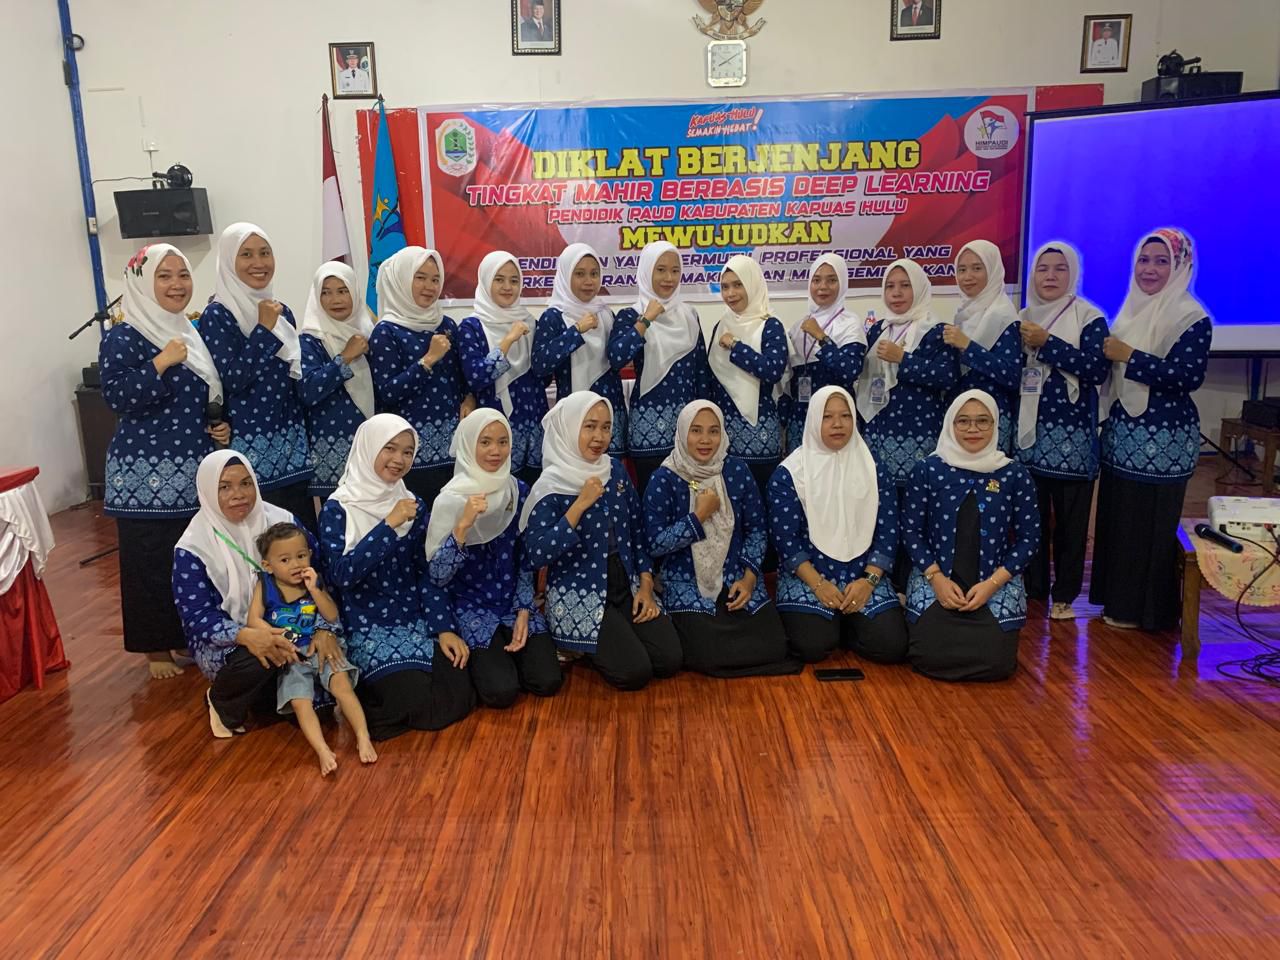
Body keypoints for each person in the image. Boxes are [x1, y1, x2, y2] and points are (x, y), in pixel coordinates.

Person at [101, 243, 228, 679]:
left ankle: (183, 636)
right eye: (164, 275)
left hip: (191, 468)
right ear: (141, 282)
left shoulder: (190, 331)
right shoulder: (124, 336)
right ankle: (155, 649)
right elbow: (117, 396)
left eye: (183, 274)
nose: (177, 284)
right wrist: (160, 362)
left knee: (188, 558)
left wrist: (217, 426)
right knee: (149, 563)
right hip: (143, 477)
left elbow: (202, 395)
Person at [319, 414, 475, 739]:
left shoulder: (413, 504)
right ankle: (363, 700)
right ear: (368, 448)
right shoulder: (339, 509)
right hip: (365, 624)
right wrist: (388, 526)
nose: (399, 459)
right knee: (417, 700)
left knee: (460, 690)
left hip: (412, 619)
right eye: (389, 448)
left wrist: (443, 628)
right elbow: (342, 576)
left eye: (407, 452)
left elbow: (425, 573)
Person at [1090, 228, 1211, 631]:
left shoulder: (1191, 317)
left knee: (1150, 527)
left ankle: (1150, 614)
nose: (1150, 269)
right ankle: (1118, 604)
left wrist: (1131, 356)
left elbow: (1187, 376)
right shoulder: (1130, 310)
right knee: (1121, 521)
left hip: (1164, 442)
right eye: (1144, 260)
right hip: (1123, 437)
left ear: (1180, 266)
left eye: (1162, 261)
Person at [520, 392, 682, 690]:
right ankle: (578, 643)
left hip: (625, 581)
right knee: (634, 673)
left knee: (669, 659)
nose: (599, 436)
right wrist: (579, 506)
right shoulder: (551, 485)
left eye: (606, 427)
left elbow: (637, 531)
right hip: (580, 591)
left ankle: (603, 639)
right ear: (570, 428)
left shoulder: (614, 470)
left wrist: (646, 585)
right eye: (590, 426)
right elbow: (537, 554)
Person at [173, 451, 331, 737]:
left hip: (294, 622)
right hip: (231, 639)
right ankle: (221, 702)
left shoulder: (281, 520)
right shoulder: (193, 546)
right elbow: (197, 617)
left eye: (246, 483)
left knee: (322, 710)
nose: (239, 494)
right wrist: (247, 635)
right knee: (260, 658)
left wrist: (322, 628)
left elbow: (319, 572)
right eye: (225, 487)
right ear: (207, 491)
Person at [644, 401, 797, 677]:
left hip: (736, 576)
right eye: (696, 431)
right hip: (686, 580)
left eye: (713, 431)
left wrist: (749, 578)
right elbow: (654, 543)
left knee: (775, 645)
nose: (705, 440)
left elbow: (757, 529)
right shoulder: (665, 478)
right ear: (682, 433)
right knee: (706, 650)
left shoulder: (736, 471)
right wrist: (698, 517)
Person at [425, 409, 563, 707]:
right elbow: (437, 576)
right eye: (485, 442)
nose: (495, 451)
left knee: (547, 680)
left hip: (512, 601)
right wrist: (462, 528)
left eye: (503, 442)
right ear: (468, 445)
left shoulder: (517, 491)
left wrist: (524, 608)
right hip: (470, 607)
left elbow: (525, 558)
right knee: (501, 692)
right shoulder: (449, 500)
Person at [902, 390, 1039, 682]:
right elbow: (911, 532)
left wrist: (992, 584)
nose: (973, 429)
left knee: (997, 664)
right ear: (950, 424)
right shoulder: (928, 470)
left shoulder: (1014, 474)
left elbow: (1029, 539)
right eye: (963, 421)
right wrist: (936, 579)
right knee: (928, 657)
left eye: (982, 421)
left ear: (995, 425)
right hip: (936, 582)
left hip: (994, 584)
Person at [769, 387, 909, 665]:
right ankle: (840, 625)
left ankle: (846, 624)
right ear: (813, 420)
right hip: (809, 576)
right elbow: (786, 540)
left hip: (863, 576)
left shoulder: (873, 468)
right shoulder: (790, 474)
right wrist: (818, 584)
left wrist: (869, 581)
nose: (838, 424)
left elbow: (888, 531)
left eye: (845, 416)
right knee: (812, 646)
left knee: (891, 646)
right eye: (827, 416)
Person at [1016, 242, 1110, 621]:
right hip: (1030, 436)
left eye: (1059, 269)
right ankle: (1035, 588)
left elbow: (1096, 369)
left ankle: (1066, 594)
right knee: (1032, 519)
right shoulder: (1022, 317)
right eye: (1043, 269)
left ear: (1073, 273)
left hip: (1073, 441)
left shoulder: (1089, 317)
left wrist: (1048, 344)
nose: (1050, 276)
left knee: (1071, 524)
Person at [200, 222, 314, 528]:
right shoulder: (218, 315)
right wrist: (263, 329)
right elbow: (233, 380)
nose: (258, 263)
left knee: (299, 535)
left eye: (265, 253)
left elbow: (294, 380)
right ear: (228, 261)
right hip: (248, 453)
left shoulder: (281, 311)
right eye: (246, 254)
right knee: (259, 538)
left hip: (293, 450)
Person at [856, 259, 959, 587]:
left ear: (920, 289)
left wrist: (904, 359)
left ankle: (913, 581)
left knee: (916, 514)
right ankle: (882, 580)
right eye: (890, 286)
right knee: (882, 512)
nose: (896, 293)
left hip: (918, 438)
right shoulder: (877, 329)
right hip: (879, 437)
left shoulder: (935, 331)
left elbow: (947, 376)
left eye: (905, 286)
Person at [247, 522, 375, 774]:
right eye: (285, 560)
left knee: (342, 686)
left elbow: (331, 615)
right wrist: (278, 636)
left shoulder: (313, 580)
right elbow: (253, 620)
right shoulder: (265, 584)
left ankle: (363, 736)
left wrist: (315, 590)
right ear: (268, 565)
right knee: (300, 702)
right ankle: (322, 749)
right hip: (291, 655)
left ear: (310, 554)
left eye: (301, 556)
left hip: (322, 649)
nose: (295, 564)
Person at [369, 246, 474, 505]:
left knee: (451, 515)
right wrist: (427, 360)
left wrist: (469, 397)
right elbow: (388, 392)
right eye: (420, 277)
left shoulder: (446, 325)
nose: (429, 286)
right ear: (402, 280)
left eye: (435, 279)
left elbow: (462, 378)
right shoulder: (386, 331)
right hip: (408, 456)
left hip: (452, 451)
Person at [608, 241, 709, 492]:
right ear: (646, 271)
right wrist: (646, 320)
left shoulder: (690, 315)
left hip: (687, 432)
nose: (669, 278)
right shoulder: (631, 315)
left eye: (675, 270)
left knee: (690, 497)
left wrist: (704, 423)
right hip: (647, 433)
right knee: (650, 500)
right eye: (661, 270)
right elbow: (616, 358)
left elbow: (701, 373)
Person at [456, 251, 544, 484]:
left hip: (533, 423)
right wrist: (508, 340)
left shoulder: (530, 322)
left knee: (532, 490)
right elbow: (476, 377)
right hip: (494, 427)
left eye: (514, 280)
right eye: (499, 279)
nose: (507, 287)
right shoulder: (471, 327)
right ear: (486, 281)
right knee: (496, 491)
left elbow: (541, 375)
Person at [532, 243, 627, 455]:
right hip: (573, 417)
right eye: (580, 274)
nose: (588, 281)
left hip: (610, 415)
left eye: (594, 274)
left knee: (611, 473)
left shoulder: (606, 314)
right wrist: (576, 331)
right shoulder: (554, 316)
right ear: (566, 275)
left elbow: (616, 361)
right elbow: (540, 365)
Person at [707, 254, 789, 497]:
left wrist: (737, 346)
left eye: (738, 285)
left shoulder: (770, 325)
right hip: (724, 440)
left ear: (752, 284)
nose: (730, 293)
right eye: (725, 287)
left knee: (762, 504)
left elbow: (772, 370)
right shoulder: (721, 325)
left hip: (760, 439)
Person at [298, 262, 373, 499]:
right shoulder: (310, 340)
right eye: (326, 292)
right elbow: (308, 391)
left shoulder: (370, 333)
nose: (335, 299)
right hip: (331, 453)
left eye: (343, 291)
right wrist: (345, 358)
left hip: (372, 446)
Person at [945, 240, 1023, 453]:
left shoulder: (1004, 317)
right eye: (962, 269)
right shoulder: (962, 315)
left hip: (991, 419)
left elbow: (1012, 375)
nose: (968, 276)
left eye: (977, 268)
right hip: (961, 418)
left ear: (993, 270)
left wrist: (968, 347)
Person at [784, 253, 866, 454]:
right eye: (816, 280)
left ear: (842, 283)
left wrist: (822, 338)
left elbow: (850, 370)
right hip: (801, 418)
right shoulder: (799, 326)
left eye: (831, 280)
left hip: (836, 420)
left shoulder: (850, 323)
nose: (823, 287)